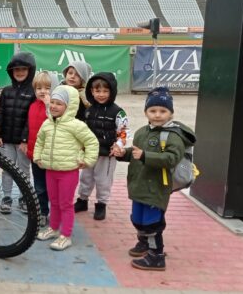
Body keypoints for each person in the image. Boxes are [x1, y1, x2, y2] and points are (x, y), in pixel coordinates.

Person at [111, 86, 196, 271]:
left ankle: (156, 256)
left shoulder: (174, 136)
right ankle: (143, 244)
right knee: (137, 219)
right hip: (139, 185)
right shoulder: (142, 132)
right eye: (153, 110)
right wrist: (120, 153)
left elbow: (171, 159)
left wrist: (145, 156)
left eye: (163, 111)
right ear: (146, 112)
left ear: (171, 113)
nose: (157, 115)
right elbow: (135, 154)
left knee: (152, 222)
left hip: (156, 187)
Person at [33, 86, 99, 251]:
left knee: (65, 204)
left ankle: (66, 235)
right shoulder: (47, 124)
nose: (54, 106)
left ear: (69, 107)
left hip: (68, 172)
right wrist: (38, 157)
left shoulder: (76, 125)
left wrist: (87, 160)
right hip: (50, 170)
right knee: (53, 202)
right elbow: (39, 141)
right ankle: (54, 229)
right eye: (52, 102)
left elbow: (91, 142)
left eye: (59, 104)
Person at [75, 73, 129, 221]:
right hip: (90, 153)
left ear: (112, 92)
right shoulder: (89, 110)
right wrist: (80, 146)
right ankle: (82, 200)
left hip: (107, 154)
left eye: (105, 91)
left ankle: (101, 204)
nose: (101, 94)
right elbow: (83, 131)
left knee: (103, 180)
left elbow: (124, 132)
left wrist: (118, 144)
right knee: (86, 177)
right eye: (97, 91)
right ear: (91, 92)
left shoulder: (118, 112)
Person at [0, 52, 36, 214]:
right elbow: (0, 112)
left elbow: (31, 119)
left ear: (30, 71)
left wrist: (25, 139)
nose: (20, 72)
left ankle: (25, 197)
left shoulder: (33, 93)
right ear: (11, 71)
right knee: (7, 168)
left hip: (23, 142)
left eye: (24, 69)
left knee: (24, 170)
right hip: (7, 140)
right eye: (16, 69)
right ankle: (7, 197)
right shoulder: (7, 91)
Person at [24, 71, 60, 222]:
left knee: (52, 186)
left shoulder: (56, 108)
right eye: (39, 88)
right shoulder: (32, 106)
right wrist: (25, 142)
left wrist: (48, 105)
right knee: (39, 186)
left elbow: (56, 123)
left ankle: (56, 213)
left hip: (50, 154)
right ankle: (43, 212)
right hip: (35, 154)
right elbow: (29, 127)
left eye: (47, 88)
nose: (43, 91)